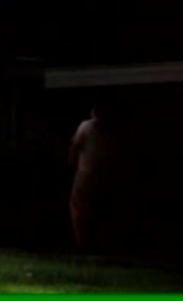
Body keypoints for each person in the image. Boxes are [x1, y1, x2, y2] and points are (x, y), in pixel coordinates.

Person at [68, 103, 114, 253]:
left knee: (78, 208)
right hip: (105, 176)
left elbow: (76, 145)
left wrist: (71, 163)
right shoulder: (112, 129)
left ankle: (83, 244)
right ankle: (98, 244)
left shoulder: (86, 126)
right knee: (99, 209)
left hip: (87, 174)